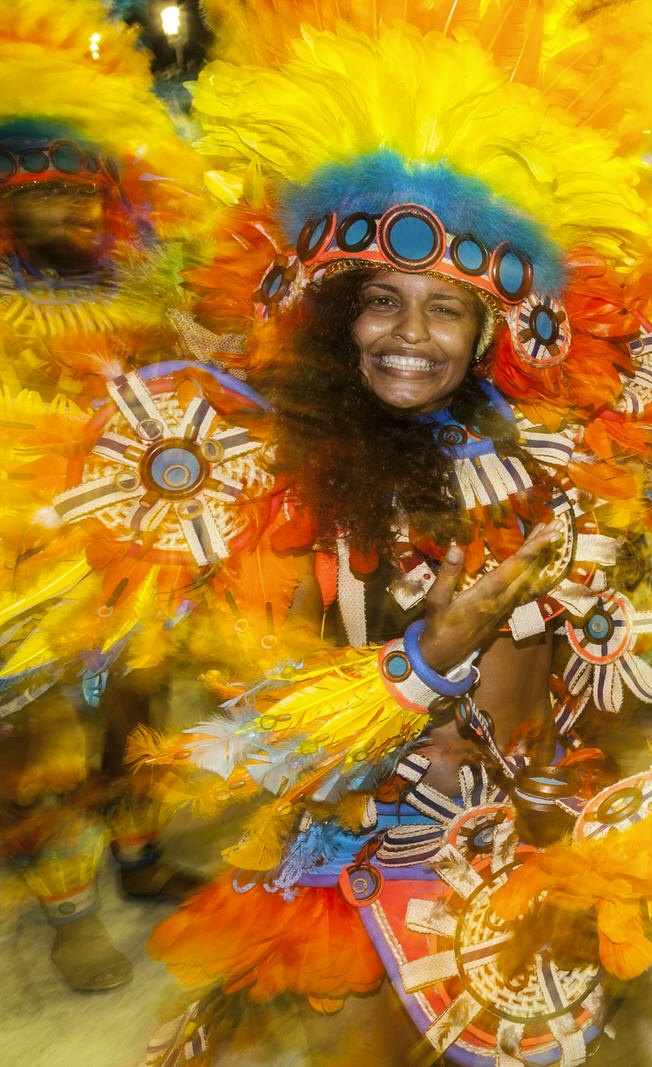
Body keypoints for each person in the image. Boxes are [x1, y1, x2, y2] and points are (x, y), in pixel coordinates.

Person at [0, 1, 652, 1061]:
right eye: (382, 299)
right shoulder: (281, 481)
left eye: (445, 308)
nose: (410, 336)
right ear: (336, 312)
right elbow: (252, 734)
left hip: (521, 827)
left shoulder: (530, 446)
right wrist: (434, 655)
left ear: (488, 332)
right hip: (383, 845)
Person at [0, 0, 209, 993]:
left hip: (129, 556)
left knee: (127, 705)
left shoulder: (130, 289)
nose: (74, 208)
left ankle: (138, 853)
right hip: (24, 570)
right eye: (44, 189)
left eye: (87, 188)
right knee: (39, 733)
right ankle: (67, 905)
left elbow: (171, 393)